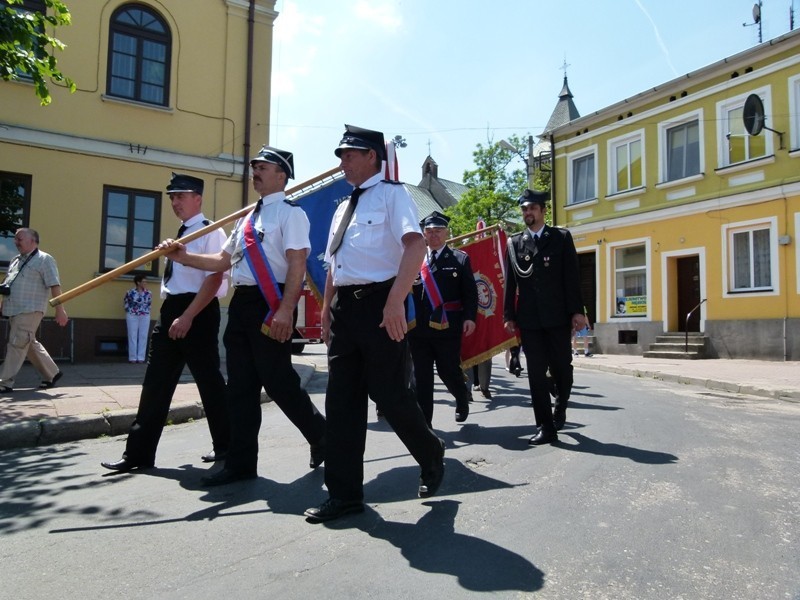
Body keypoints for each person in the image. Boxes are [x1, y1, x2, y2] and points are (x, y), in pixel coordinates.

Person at [159, 146, 326, 486]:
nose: (255, 172)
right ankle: (241, 463)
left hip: (271, 301)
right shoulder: (246, 218)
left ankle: (323, 437)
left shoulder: (291, 215)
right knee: (240, 388)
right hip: (242, 305)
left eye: (262, 167)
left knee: (279, 383)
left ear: (282, 174)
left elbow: (297, 264)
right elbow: (221, 262)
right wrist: (182, 256)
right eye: (254, 167)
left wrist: (285, 310)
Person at [304, 125, 446, 523]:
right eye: (341, 155)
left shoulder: (392, 195)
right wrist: (327, 307)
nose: (342, 161)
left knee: (390, 395)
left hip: (381, 305)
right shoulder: (341, 206)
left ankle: (430, 451)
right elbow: (335, 262)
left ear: (372, 157)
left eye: (349, 154)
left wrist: (396, 302)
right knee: (341, 403)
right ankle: (345, 495)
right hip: (347, 310)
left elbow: (415, 245)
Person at [101, 173, 230, 472]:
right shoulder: (181, 233)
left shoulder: (211, 232)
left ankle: (226, 446)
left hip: (197, 310)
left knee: (210, 383)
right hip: (172, 307)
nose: (175, 202)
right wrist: (174, 313)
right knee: (155, 383)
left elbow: (215, 279)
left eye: (180, 196)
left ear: (197, 197)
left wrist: (187, 316)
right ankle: (138, 454)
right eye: (172, 197)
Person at [503, 189, 586, 445]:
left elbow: (571, 278)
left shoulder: (560, 238)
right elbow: (511, 284)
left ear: (542, 211)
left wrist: (577, 312)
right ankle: (545, 426)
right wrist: (509, 315)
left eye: (532, 208)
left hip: (558, 317)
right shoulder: (515, 243)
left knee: (562, 368)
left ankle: (560, 405)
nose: (528, 213)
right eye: (524, 209)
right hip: (530, 320)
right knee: (535, 374)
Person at [408, 211, 478, 425]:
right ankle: (425, 425)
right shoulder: (415, 259)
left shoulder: (459, 259)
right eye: (429, 231)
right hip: (419, 329)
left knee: (448, 371)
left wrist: (470, 317)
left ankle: (461, 396)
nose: (433, 235)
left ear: (446, 232)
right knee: (422, 378)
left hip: (448, 328)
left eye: (438, 231)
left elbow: (470, 292)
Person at [0, 228, 68, 392]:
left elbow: (54, 284)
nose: (16, 242)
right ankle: (52, 373)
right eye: (15, 239)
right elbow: (9, 283)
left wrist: (60, 309)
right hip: (14, 308)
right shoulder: (16, 260)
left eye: (20, 239)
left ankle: (4, 382)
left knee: (17, 343)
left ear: (33, 240)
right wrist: (3, 303)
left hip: (31, 309)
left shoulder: (45, 259)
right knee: (27, 342)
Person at [123, 274, 151, 363]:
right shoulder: (130, 292)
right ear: (138, 282)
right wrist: (130, 312)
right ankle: (132, 358)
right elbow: (126, 303)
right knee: (132, 335)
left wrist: (145, 312)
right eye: (144, 281)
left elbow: (149, 304)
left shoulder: (148, 293)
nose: (145, 283)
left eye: (146, 281)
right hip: (132, 315)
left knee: (143, 336)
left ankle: (141, 357)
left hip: (144, 315)